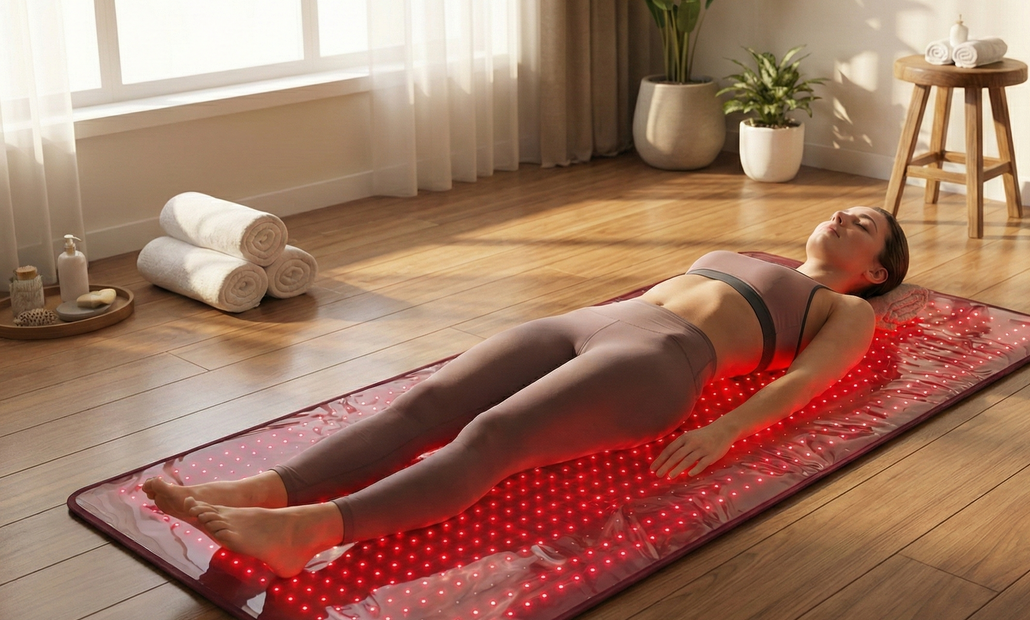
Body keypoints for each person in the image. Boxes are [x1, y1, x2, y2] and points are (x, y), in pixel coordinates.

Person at [145, 206, 909, 577]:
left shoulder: (843, 311)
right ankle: (265, 491)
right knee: (426, 405)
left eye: (865, 223)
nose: (844, 214)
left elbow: (811, 379)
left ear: (876, 271)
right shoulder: (736, 250)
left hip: (666, 360)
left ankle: (311, 531)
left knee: (494, 437)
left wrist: (726, 430)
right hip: (600, 319)